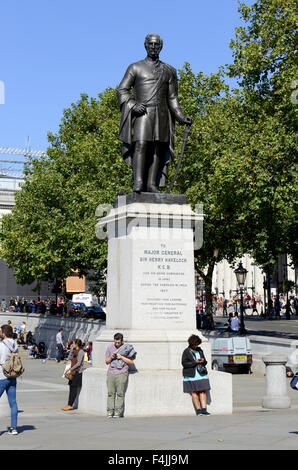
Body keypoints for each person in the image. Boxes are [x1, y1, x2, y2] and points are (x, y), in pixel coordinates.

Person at [117, 33, 192, 193]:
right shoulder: (135, 67)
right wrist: (132, 104)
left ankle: (152, 184)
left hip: (162, 114)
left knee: (158, 147)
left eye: (156, 44)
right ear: (145, 45)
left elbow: (172, 98)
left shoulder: (169, 71)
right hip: (143, 113)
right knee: (142, 144)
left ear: (161, 47)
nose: (153, 47)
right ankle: (138, 182)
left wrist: (180, 116)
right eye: (150, 44)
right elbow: (122, 90)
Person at [105, 333, 136, 418]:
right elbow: (107, 362)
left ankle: (118, 412)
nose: (117, 344)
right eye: (115, 342)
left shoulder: (127, 348)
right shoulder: (110, 347)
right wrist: (111, 357)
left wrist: (121, 357)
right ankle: (110, 411)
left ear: (122, 341)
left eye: (118, 342)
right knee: (110, 393)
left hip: (122, 373)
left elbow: (131, 362)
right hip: (111, 372)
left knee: (120, 393)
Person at [181, 334, 211, 416]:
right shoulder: (186, 351)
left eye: (197, 344)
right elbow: (184, 364)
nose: (196, 346)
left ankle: (204, 410)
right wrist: (195, 362)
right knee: (194, 392)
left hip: (201, 374)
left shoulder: (200, 350)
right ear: (191, 343)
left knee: (203, 391)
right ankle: (198, 411)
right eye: (195, 344)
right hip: (192, 374)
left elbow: (205, 362)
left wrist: (203, 361)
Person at [0, 324, 19, 434]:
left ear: (4, 333)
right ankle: (13, 428)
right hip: (12, 375)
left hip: (2, 376)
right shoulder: (15, 344)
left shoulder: (1, 345)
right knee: (13, 402)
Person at [62, 339, 85, 411]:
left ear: (77, 344)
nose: (72, 344)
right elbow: (69, 358)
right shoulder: (74, 350)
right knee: (71, 388)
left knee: (74, 389)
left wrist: (71, 369)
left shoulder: (81, 352)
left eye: (74, 344)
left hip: (77, 372)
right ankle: (69, 404)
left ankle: (70, 405)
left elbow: (79, 363)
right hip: (73, 372)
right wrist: (71, 350)